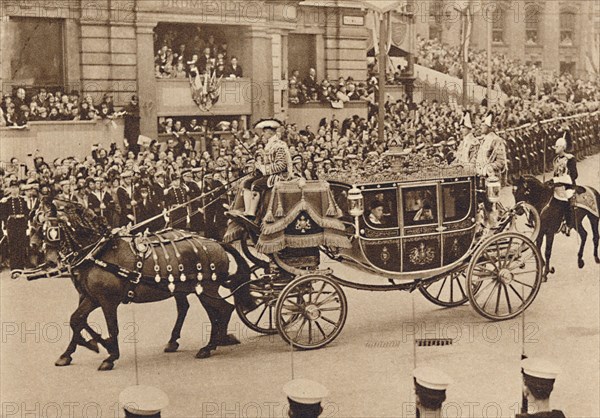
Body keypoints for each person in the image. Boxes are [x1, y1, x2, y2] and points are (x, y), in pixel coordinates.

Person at [240, 118, 292, 219]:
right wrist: (259, 165)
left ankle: (252, 213)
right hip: (268, 173)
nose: (262, 135)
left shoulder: (279, 146)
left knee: (256, 185)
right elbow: (267, 162)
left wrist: (265, 168)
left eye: (264, 132)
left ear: (270, 133)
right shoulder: (268, 146)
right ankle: (247, 210)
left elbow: (281, 166)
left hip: (279, 175)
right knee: (247, 183)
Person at [550, 130, 578, 236]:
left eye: (557, 147)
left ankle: (568, 224)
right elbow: (556, 173)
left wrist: (562, 180)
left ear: (562, 148)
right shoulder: (556, 159)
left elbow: (574, 175)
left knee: (567, 199)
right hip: (558, 184)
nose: (555, 149)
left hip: (568, 185)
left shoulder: (570, 159)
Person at [0, 180, 29, 271]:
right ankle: (14, 266)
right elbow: (3, 214)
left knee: (21, 243)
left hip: (21, 223)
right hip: (12, 223)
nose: (14, 190)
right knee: (13, 244)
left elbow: (27, 212)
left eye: (16, 188)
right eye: (12, 188)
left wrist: (27, 223)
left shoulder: (23, 200)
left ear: (18, 189)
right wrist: (5, 225)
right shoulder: (6, 201)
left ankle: (20, 265)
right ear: (9, 189)